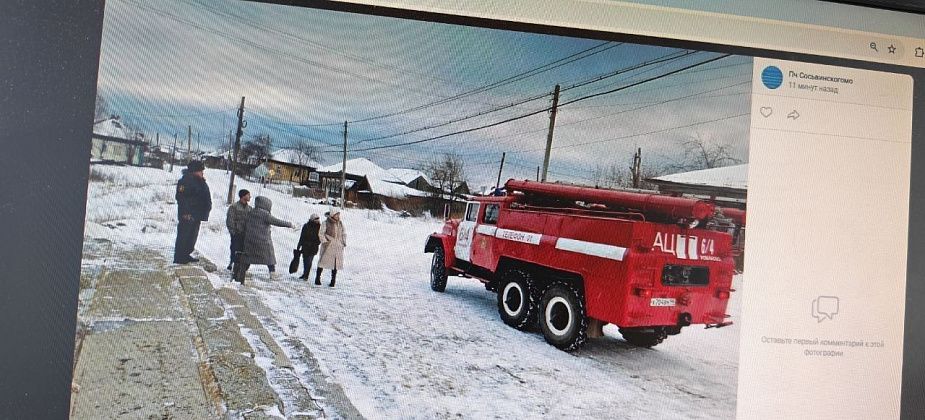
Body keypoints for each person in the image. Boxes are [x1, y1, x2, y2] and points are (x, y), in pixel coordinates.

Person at [233, 196, 294, 284]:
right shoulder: (265, 214)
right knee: (269, 257)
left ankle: (244, 270)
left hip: (250, 240)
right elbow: (277, 222)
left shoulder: (250, 212)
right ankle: (272, 272)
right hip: (263, 241)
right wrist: (289, 224)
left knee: (249, 256)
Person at [173, 161, 211, 264]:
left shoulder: (200, 181)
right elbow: (181, 198)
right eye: (200, 170)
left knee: (192, 236)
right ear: (194, 171)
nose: (202, 172)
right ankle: (179, 257)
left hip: (197, 214)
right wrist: (185, 213)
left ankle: (186, 254)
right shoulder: (185, 181)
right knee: (184, 235)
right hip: (188, 214)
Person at [315, 208, 346, 287]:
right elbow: (321, 233)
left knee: (335, 264)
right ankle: (317, 278)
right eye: (336, 214)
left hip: (337, 246)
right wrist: (325, 242)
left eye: (338, 214)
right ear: (333, 214)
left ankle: (333, 281)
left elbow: (343, 233)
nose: (338, 216)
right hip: (328, 245)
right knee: (322, 262)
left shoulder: (340, 223)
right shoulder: (325, 223)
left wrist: (343, 242)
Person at [225, 189, 251, 271]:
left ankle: (242, 267)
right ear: (243, 196)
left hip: (246, 234)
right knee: (234, 249)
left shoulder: (250, 209)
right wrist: (233, 232)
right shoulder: (234, 207)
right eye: (248, 195)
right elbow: (230, 220)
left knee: (244, 250)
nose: (250, 197)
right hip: (237, 233)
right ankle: (232, 263)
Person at [296, 214, 322, 280]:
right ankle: (305, 274)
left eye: (318, 219)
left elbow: (320, 238)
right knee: (305, 261)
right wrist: (299, 245)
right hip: (305, 246)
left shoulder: (319, 227)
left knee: (309, 261)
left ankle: (306, 275)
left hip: (313, 247)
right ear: (312, 219)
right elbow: (302, 236)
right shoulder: (306, 226)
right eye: (316, 219)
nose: (318, 221)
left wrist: (316, 243)